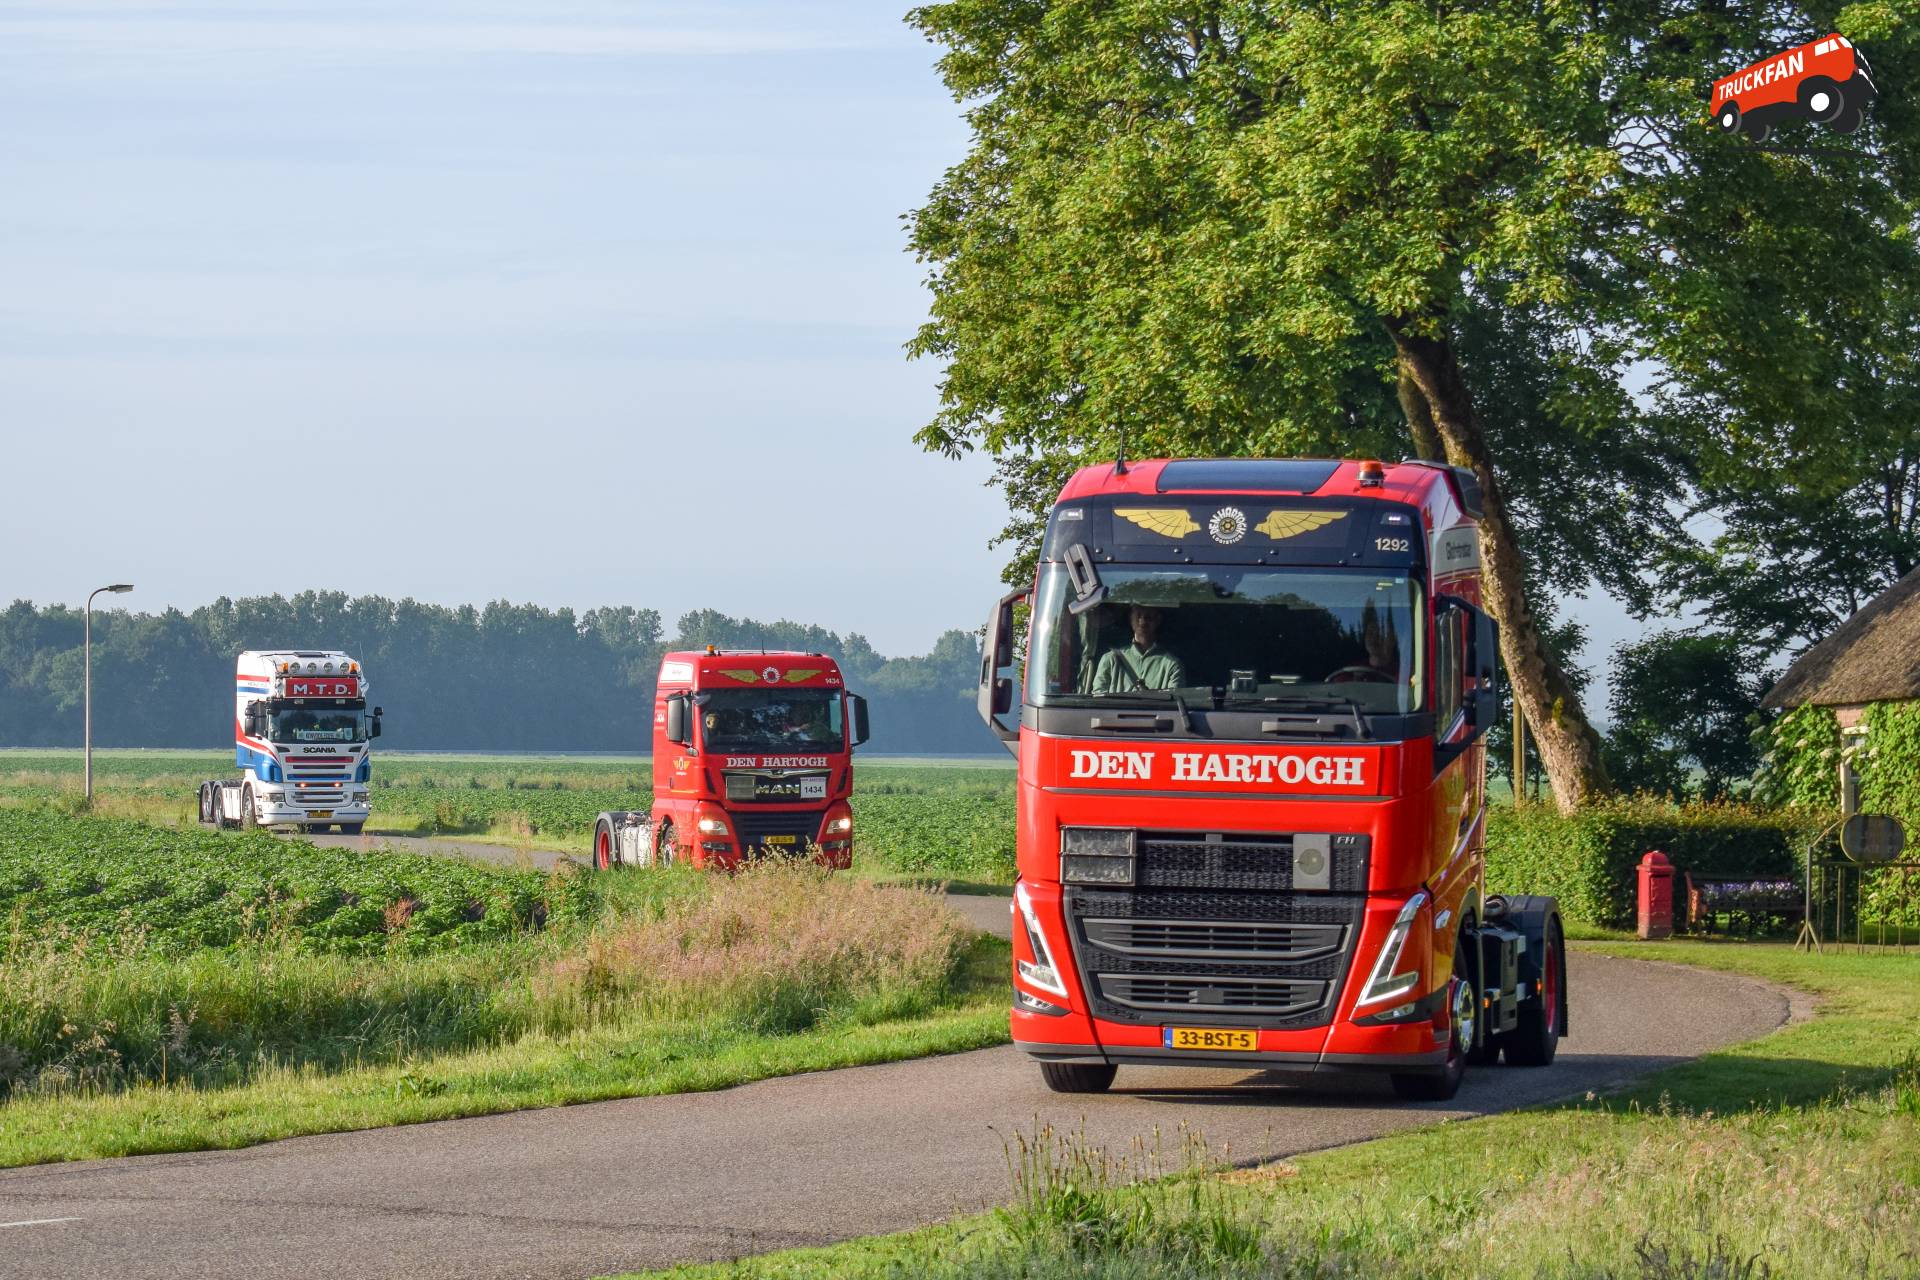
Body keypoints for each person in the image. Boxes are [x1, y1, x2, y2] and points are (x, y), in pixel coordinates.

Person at [1091, 605, 1187, 693]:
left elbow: (1174, 704)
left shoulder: (1172, 665)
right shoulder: (1110, 659)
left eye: (1148, 616)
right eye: (1138, 614)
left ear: (1158, 620)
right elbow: (1099, 698)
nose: (1142, 620)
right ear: (1130, 618)